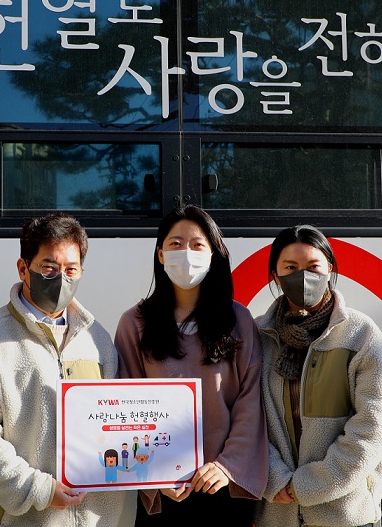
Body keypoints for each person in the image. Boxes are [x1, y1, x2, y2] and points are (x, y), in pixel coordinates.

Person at [0, 213, 129, 527]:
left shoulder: (97, 339)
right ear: (23, 268)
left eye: (71, 269)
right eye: (49, 267)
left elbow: (122, 424)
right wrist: (39, 490)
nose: (61, 278)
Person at [114, 205, 269, 526]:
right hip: (165, 488)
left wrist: (227, 466)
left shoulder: (238, 320)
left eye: (197, 244)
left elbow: (250, 401)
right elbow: (124, 408)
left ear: (214, 254)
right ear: (160, 254)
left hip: (222, 487)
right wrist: (153, 474)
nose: (186, 252)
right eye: (175, 243)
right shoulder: (134, 323)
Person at [253, 225, 382, 527]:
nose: (303, 276)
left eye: (313, 266)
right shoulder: (257, 336)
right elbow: (246, 419)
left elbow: (372, 426)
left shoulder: (361, 334)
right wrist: (276, 479)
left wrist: (308, 485)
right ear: (275, 276)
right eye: (290, 267)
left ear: (329, 268)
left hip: (345, 514)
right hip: (277, 513)